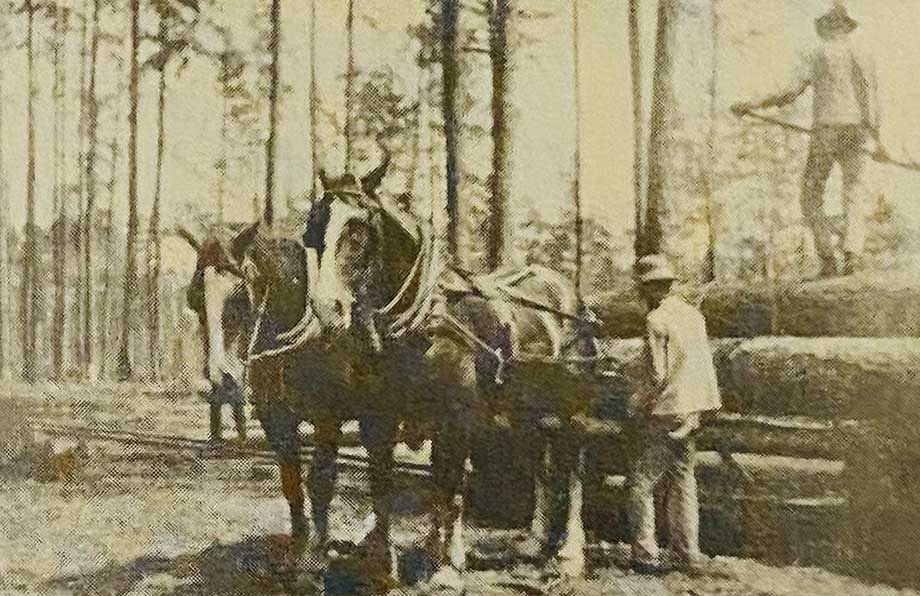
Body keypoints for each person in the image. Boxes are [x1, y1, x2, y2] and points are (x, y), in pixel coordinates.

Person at [731, 3, 882, 277]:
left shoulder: (817, 54)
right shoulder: (864, 53)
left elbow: (789, 92)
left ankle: (827, 257)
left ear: (827, 27)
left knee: (810, 194)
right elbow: (872, 98)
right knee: (854, 191)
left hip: (826, 130)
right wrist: (876, 138)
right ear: (847, 27)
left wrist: (751, 104)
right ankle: (852, 254)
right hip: (858, 130)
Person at [627, 254, 722, 574]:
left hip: (666, 412)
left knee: (640, 482)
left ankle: (644, 553)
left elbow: (657, 375)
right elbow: (700, 366)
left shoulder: (655, 321)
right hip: (691, 412)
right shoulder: (694, 316)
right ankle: (687, 553)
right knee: (683, 481)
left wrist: (637, 403)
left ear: (650, 288)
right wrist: (697, 411)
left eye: (643, 289)